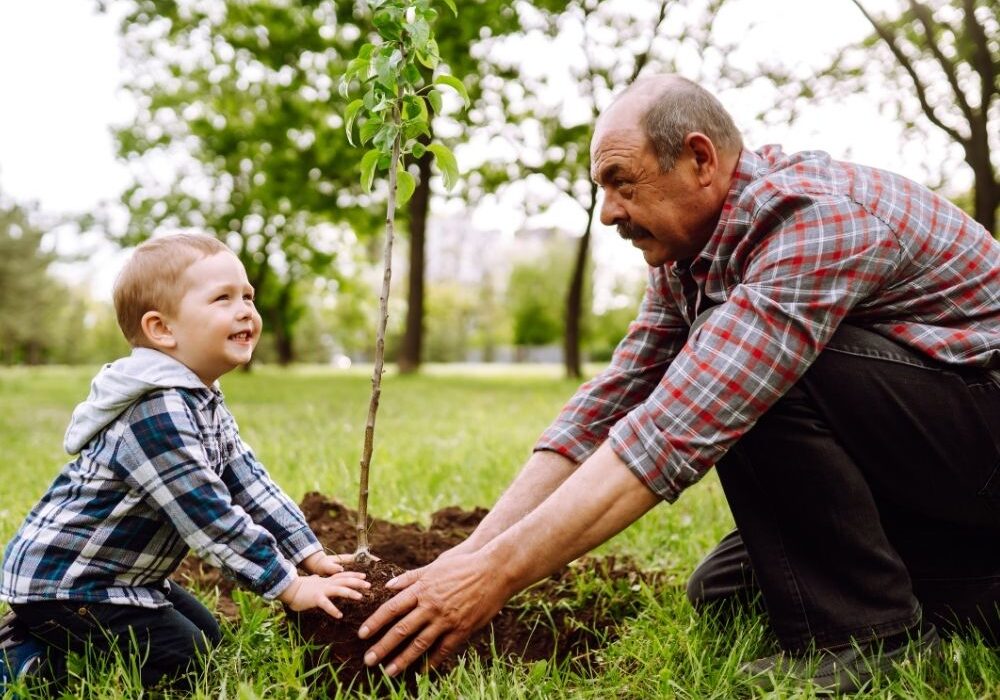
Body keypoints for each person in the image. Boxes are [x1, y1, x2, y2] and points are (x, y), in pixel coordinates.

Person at [357, 74, 1000, 692]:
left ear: (699, 159)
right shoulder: (691, 255)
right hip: (935, 463)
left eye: (621, 182)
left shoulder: (815, 221)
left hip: (983, 441)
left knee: (751, 377)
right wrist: (471, 554)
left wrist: (491, 580)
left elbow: (674, 426)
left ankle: (870, 641)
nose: (608, 212)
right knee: (723, 589)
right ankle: (969, 589)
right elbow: (611, 404)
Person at [0, 233, 370, 691]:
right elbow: (209, 516)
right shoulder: (156, 411)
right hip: (68, 584)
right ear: (162, 330)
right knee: (189, 662)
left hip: (123, 576)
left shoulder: (200, 397)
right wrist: (289, 586)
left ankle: (49, 640)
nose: (245, 310)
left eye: (247, 296)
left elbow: (247, 481)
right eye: (222, 298)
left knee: (210, 640)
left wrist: (307, 553)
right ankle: (21, 659)